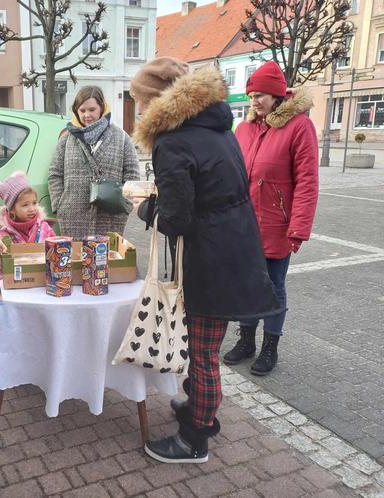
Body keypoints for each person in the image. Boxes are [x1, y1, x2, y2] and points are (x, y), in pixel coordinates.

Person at [130, 57, 281, 464]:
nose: (140, 111)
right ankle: (200, 410)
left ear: (158, 100)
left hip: (212, 258)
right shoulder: (216, 127)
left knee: (202, 356)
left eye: (141, 102)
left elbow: (177, 218)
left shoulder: (172, 140)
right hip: (234, 248)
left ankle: (194, 438)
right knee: (205, 349)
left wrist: (146, 208)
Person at [223, 61, 319, 376]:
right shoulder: (245, 128)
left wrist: (299, 228)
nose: (255, 102)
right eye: (252, 95)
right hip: (244, 225)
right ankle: (247, 340)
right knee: (246, 283)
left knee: (273, 286)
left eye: (262, 95)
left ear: (277, 96)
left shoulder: (299, 126)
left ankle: (270, 347)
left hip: (277, 224)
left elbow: (307, 181)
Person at [48, 86, 140, 239]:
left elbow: (132, 176)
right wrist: (59, 204)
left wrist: (125, 205)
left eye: (92, 109)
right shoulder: (67, 138)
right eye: (82, 110)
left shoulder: (120, 137)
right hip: (72, 216)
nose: (86, 115)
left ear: (102, 108)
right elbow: (55, 174)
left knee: (105, 260)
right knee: (75, 260)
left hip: (110, 216)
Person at [0, 171, 56, 245]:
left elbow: (55, 249)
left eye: (34, 203)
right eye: (25, 205)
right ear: (12, 209)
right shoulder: (3, 233)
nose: (32, 209)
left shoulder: (44, 228)